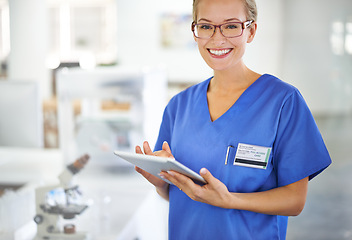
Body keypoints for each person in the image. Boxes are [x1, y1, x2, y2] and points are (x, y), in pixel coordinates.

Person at [135, 0, 332, 239]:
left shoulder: (283, 102)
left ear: (251, 31)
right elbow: (176, 195)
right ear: (195, 31)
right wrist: (161, 182)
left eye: (230, 26)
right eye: (206, 26)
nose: (217, 39)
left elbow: (295, 201)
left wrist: (230, 200)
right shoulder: (179, 106)